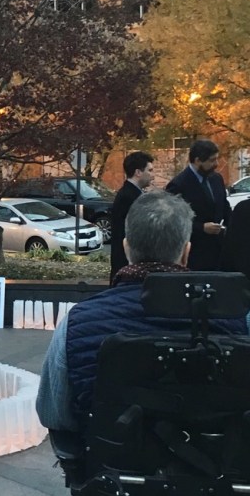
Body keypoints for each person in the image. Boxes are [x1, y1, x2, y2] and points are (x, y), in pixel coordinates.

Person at [36, 190, 249, 435]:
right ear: (186, 252)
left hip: (110, 456)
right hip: (219, 457)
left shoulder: (76, 323)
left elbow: (53, 415)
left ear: (126, 248)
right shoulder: (241, 320)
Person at [166, 139, 231, 270]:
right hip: (195, 253)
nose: (216, 164)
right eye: (212, 160)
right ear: (197, 161)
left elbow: (224, 206)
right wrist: (201, 228)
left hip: (219, 250)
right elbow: (172, 221)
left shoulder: (216, 179)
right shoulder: (179, 185)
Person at [109, 151, 154, 283]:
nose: (153, 175)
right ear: (138, 172)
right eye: (150, 170)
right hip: (128, 268)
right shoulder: (129, 197)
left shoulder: (131, 194)